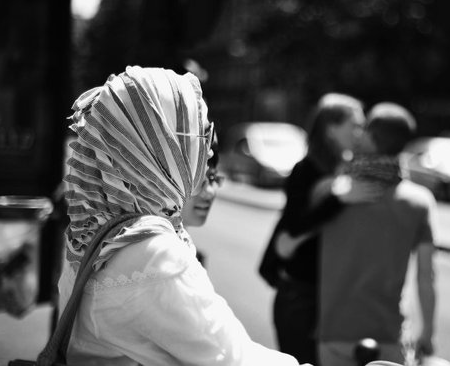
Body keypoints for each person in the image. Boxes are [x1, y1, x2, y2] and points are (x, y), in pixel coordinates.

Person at [60, 66, 306, 366]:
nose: (205, 154)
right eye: (197, 135)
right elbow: (233, 360)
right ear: (161, 149)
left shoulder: (93, 232)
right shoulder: (152, 253)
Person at [317, 102, 438, 366]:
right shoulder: (419, 202)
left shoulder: (330, 191)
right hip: (388, 336)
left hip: (334, 332)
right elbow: (425, 277)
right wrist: (426, 333)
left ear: (369, 138)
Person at [258, 93, 366, 365]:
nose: (360, 132)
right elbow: (295, 225)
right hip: (301, 295)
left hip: (331, 295)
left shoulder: (348, 168)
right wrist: (338, 200)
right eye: (354, 125)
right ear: (331, 128)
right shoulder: (306, 170)